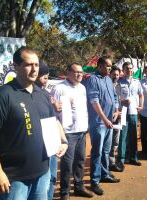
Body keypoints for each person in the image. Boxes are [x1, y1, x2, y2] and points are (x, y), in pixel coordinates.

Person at [0, 47, 68, 200]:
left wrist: (63, 141)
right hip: (15, 178)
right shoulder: (3, 95)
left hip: (43, 172)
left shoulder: (42, 94)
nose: (34, 69)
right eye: (29, 65)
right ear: (16, 66)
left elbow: (54, 121)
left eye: (36, 65)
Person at [50, 63, 94, 200]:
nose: (79, 74)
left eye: (81, 72)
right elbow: (52, 110)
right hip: (67, 133)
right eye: (76, 72)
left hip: (81, 131)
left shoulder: (82, 88)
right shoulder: (59, 88)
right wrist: (55, 108)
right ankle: (65, 193)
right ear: (68, 72)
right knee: (67, 165)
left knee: (80, 161)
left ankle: (79, 187)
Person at [84, 56, 120, 196]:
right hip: (99, 123)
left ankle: (105, 174)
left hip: (109, 122)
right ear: (99, 66)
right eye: (108, 66)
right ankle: (94, 181)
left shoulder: (108, 79)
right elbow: (94, 101)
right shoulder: (93, 80)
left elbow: (115, 97)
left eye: (111, 66)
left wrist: (116, 110)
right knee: (97, 152)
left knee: (106, 151)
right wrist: (105, 119)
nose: (110, 68)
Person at [35, 61, 68, 200]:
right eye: (43, 76)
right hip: (38, 149)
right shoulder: (23, 96)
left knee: (52, 179)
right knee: (40, 185)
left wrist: (63, 140)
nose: (45, 80)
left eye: (47, 77)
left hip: (52, 146)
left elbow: (55, 120)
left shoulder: (47, 95)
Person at [116, 62, 143, 167]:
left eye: (131, 68)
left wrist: (141, 106)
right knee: (122, 136)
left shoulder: (137, 82)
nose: (129, 70)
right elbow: (116, 97)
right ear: (123, 70)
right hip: (123, 112)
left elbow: (141, 95)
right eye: (127, 68)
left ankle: (133, 158)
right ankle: (121, 159)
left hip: (133, 113)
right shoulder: (119, 83)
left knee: (133, 136)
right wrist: (121, 103)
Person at [109, 66, 123, 172]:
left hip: (118, 117)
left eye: (117, 75)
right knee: (107, 142)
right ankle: (105, 163)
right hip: (107, 118)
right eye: (114, 74)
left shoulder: (119, 86)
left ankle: (112, 163)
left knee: (115, 141)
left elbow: (119, 101)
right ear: (110, 74)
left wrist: (119, 111)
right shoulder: (106, 85)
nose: (115, 76)